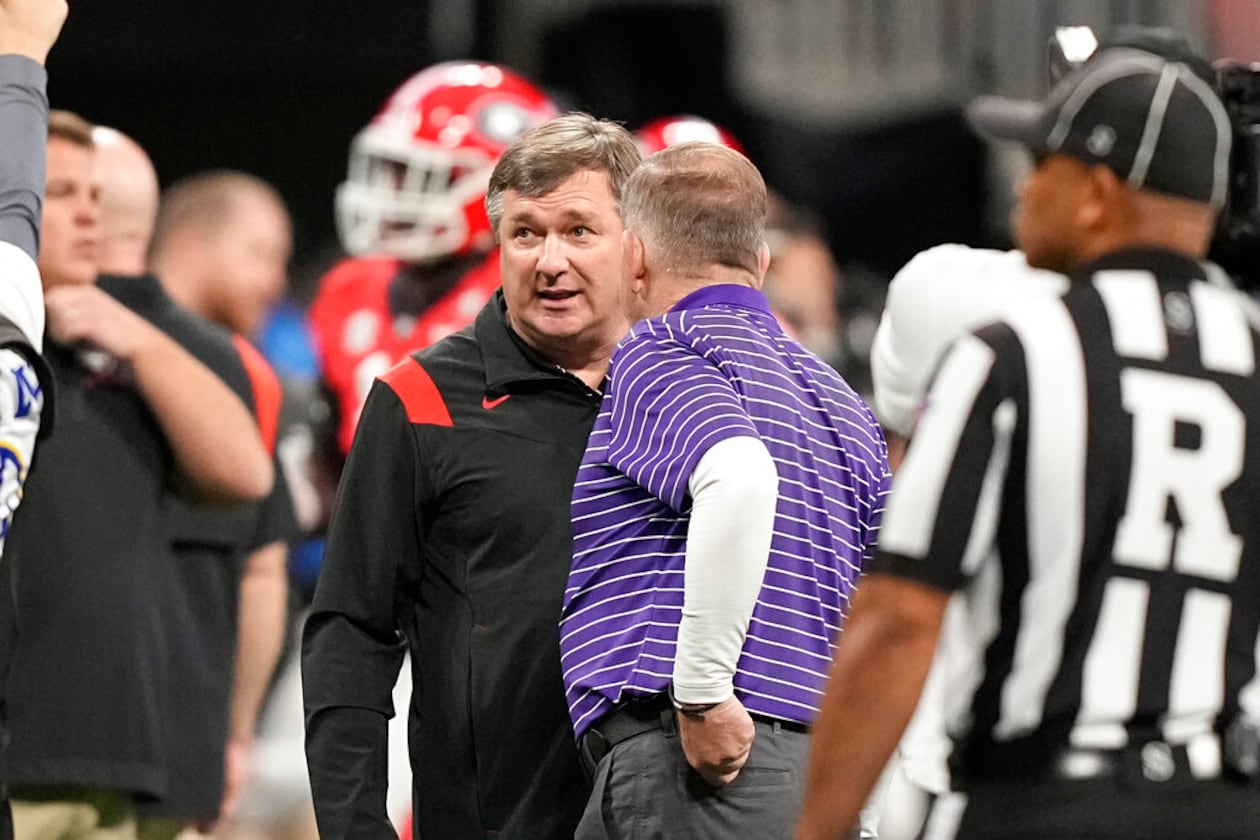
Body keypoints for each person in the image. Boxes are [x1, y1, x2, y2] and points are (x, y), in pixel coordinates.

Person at [797, 45, 1260, 840]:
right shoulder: (1249, 349)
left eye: (1046, 162)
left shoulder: (1011, 344)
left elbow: (899, 616)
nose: (1022, 186)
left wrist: (815, 828)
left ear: (1098, 193)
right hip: (1223, 804)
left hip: (1051, 800)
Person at [302, 112, 641, 840]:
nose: (549, 260)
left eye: (579, 230)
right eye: (525, 233)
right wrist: (354, 824)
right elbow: (352, 631)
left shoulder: (689, 391)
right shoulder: (418, 401)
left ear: (635, 242)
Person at [560, 141, 891, 838]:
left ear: (635, 258)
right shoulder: (841, 401)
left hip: (700, 771)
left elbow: (737, 475)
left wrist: (705, 693)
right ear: (762, 262)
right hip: (812, 770)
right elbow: (883, 599)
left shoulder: (663, 348)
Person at [4, 110, 273, 840]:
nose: (88, 217)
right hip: (15, 758)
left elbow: (245, 472)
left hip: (115, 760)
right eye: (59, 194)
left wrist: (135, 340)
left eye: (93, 196)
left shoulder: (131, 349)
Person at [87, 156, 295, 838]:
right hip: (180, 740)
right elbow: (263, 569)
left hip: (56, 732)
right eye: (261, 253)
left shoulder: (51, 330)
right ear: (189, 244)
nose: (276, 281)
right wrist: (231, 734)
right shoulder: (247, 373)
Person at [308, 60, 558, 459]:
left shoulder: (537, 287)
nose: (392, 193)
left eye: (415, 174)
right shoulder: (349, 287)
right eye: (391, 171)